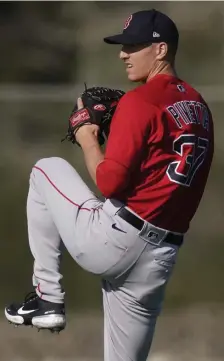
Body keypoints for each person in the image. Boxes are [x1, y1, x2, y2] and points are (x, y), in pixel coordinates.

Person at [5, 8, 214, 361]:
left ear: (160, 50)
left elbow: (109, 182)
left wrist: (90, 137)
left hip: (116, 239)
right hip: (160, 257)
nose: (123, 54)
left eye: (133, 46)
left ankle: (48, 296)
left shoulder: (139, 101)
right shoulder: (199, 106)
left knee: (44, 170)